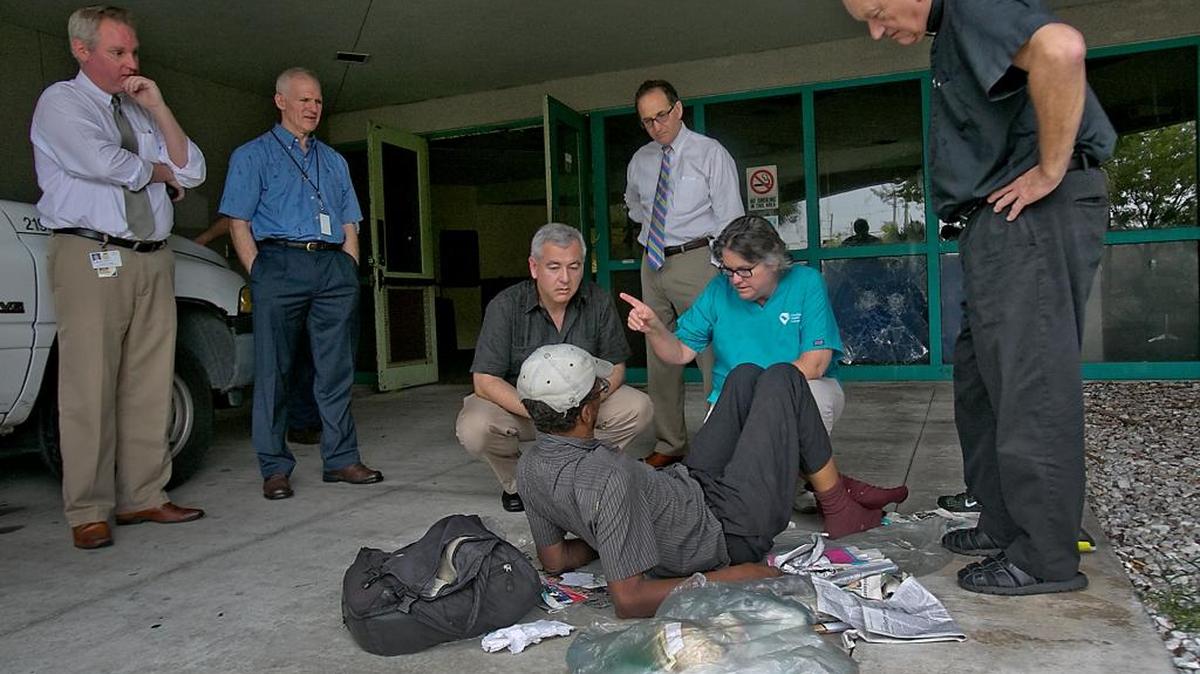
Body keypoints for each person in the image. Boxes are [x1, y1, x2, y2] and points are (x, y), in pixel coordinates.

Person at [841, 0, 1115, 595]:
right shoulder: (950, 31)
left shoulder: (973, 7)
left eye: (877, 10)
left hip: (1033, 215)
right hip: (998, 224)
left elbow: (1061, 49)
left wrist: (1050, 169)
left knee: (1030, 382)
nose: (875, 28)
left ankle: (1045, 555)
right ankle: (1005, 524)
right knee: (981, 380)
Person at [515, 344, 901, 618]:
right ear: (586, 413)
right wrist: (734, 577)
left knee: (746, 376)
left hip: (689, 488)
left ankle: (839, 494)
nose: (604, 393)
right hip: (730, 529)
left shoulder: (529, 466)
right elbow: (629, 601)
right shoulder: (608, 478)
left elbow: (556, 559)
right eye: (600, 391)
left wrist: (615, 534)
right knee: (785, 379)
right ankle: (839, 507)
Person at [30, 5, 206, 549]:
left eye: (134, 51)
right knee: (89, 384)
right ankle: (88, 507)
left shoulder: (140, 110)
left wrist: (158, 106)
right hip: (92, 255)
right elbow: (101, 161)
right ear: (82, 51)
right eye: (118, 52)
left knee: (150, 382)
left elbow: (192, 169)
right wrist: (156, 172)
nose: (131, 62)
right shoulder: (62, 102)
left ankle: (145, 496)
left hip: (152, 254)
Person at [220, 67, 382, 500]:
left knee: (336, 368)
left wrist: (348, 263)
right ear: (281, 101)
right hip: (278, 262)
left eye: (318, 101)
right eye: (304, 100)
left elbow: (350, 218)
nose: (312, 108)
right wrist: (260, 272)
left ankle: (341, 459)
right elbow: (239, 221)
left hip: (331, 266)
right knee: (274, 369)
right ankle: (274, 467)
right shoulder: (251, 155)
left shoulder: (333, 160)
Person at [456, 223, 652, 513]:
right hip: (524, 408)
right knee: (474, 426)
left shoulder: (596, 299)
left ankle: (580, 475)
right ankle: (518, 483)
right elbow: (485, 381)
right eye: (553, 267)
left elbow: (616, 367)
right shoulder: (505, 306)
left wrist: (585, 405)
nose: (565, 278)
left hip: (582, 408)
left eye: (574, 267)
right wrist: (543, 412)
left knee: (639, 407)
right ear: (534, 268)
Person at [622, 215, 850, 434]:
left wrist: (758, 395)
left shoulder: (806, 282)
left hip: (796, 387)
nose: (735, 280)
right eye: (729, 270)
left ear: (774, 262)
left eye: (744, 270)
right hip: (733, 398)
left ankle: (804, 464)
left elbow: (816, 364)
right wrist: (655, 330)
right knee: (720, 466)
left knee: (811, 397)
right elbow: (680, 352)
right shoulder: (719, 288)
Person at [624, 79, 744, 468]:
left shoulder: (709, 154)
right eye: (647, 121)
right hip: (653, 260)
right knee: (658, 354)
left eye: (661, 115)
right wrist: (653, 241)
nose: (656, 126)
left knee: (711, 352)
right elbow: (636, 208)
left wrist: (723, 268)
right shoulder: (641, 160)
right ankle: (670, 443)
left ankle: (718, 444)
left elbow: (730, 217)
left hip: (698, 260)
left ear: (678, 109)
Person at [193, 216, 322, 446]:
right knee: (282, 355)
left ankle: (303, 420)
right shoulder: (269, 193)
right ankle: (289, 423)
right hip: (278, 277)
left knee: (308, 352)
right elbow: (237, 219)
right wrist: (203, 240)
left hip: (312, 273)